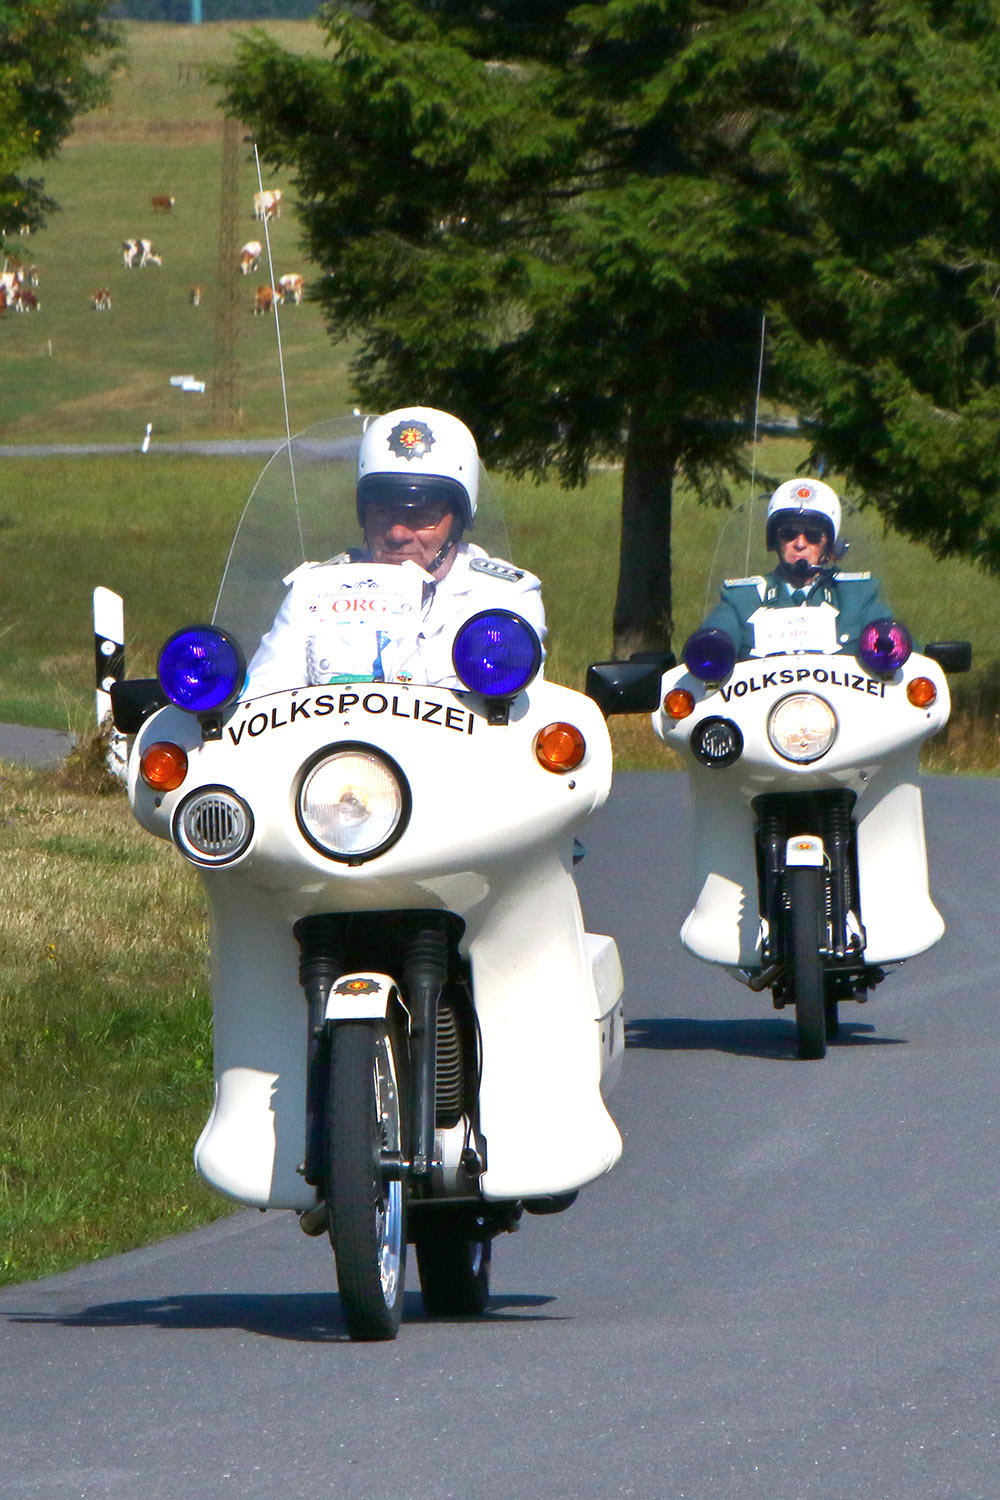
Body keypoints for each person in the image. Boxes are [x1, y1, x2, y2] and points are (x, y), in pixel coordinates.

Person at [246, 406, 545, 693]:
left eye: (421, 516)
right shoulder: (315, 590)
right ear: (363, 513)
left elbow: (507, 720)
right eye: (382, 512)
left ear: (458, 520)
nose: (397, 533)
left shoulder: (503, 598)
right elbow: (260, 700)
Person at [700, 478, 891, 660]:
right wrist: (712, 646)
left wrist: (887, 643)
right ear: (774, 539)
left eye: (813, 535)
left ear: (830, 544)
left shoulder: (857, 596)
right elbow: (708, 647)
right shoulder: (742, 599)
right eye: (788, 533)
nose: (800, 544)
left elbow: (895, 647)